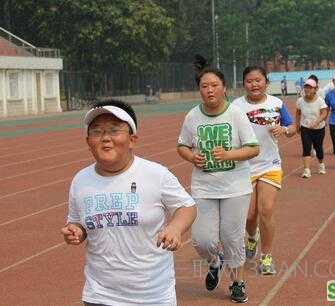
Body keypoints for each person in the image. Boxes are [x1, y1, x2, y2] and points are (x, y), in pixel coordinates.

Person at [61, 100, 197, 306]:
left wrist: (176, 228)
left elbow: (186, 206)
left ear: (132, 139)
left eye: (114, 130)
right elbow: (78, 221)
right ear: (88, 141)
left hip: (152, 294)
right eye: (96, 132)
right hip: (99, 294)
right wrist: (77, 230)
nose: (105, 138)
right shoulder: (81, 180)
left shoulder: (155, 174)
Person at [177, 60, 259, 303]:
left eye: (214, 85)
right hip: (204, 186)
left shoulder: (235, 113)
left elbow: (253, 148)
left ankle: (237, 283)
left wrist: (229, 154)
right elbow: (182, 145)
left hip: (235, 187)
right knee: (202, 240)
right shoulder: (192, 116)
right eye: (204, 86)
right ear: (199, 90)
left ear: (224, 87)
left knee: (232, 237)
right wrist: (192, 156)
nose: (209, 90)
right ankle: (215, 261)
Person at [232, 66, 295, 275]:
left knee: (266, 209)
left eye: (258, 80)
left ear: (266, 82)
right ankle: (252, 237)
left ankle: (266, 256)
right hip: (245, 167)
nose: (254, 84)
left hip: (270, 164)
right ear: (244, 84)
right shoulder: (236, 106)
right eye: (249, 81)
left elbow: (292, 126)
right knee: (249, 215)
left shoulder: (276, 104)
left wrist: (284, 129)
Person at [295, 77, 328, 178]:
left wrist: (316, 122)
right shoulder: (300, 101)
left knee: (318, 148)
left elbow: (324, 113)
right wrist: (297, 125)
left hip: (319, 129)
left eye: (310, 88)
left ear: (315, 89)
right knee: (306, 148)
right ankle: (306, 170)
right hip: (305, 128)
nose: (307, 89)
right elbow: (298, 113)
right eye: (306, 87)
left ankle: (321, 164)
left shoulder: (320, 100)